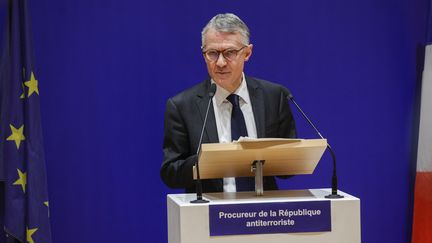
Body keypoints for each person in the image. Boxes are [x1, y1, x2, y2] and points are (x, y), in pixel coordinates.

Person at [160, 13, 296, 193]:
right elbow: (170, 173)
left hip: (264, 215)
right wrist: (208, 160)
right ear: (203, 54)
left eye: (230, 52)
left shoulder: (275, 96)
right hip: (209, 213)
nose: (221, 62)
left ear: (247, 53)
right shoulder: (182, 106)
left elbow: (289, 169)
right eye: (212, 53)